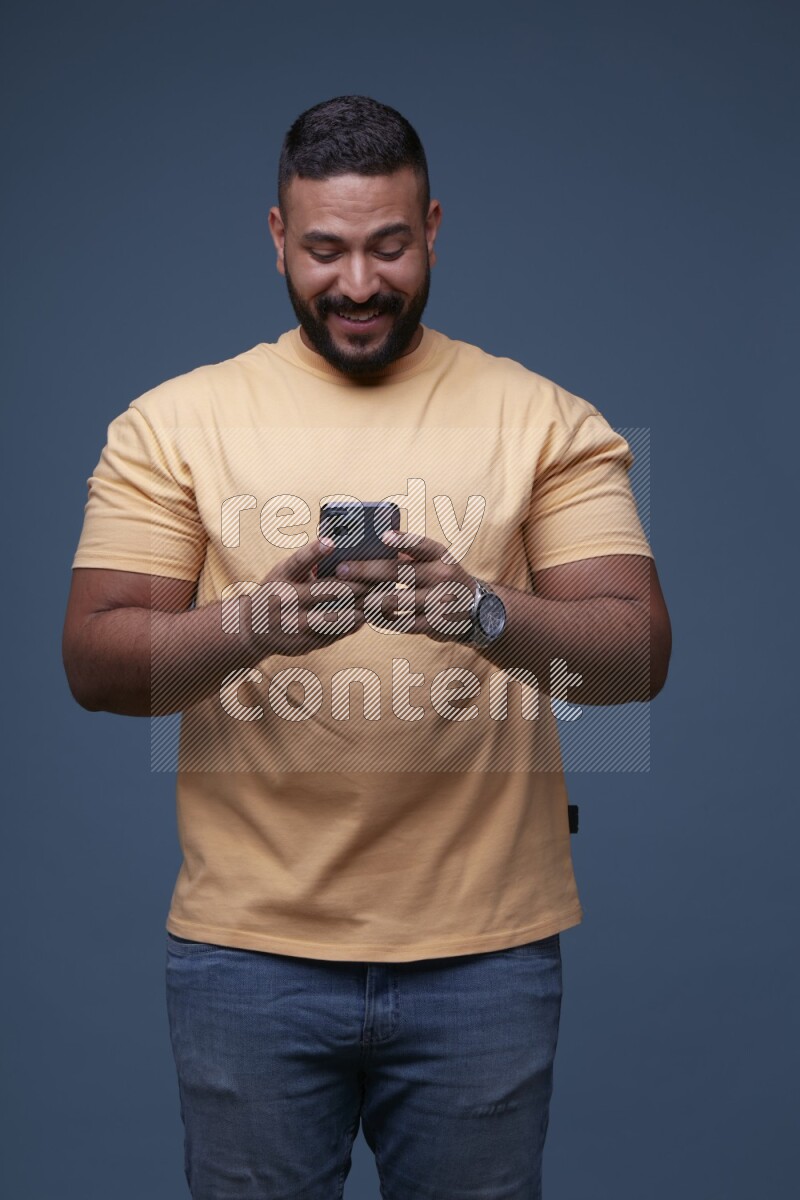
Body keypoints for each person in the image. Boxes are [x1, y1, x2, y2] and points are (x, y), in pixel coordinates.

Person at [63, 95, 671, 1200]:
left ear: (431, 229)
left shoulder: (542, 418)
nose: (356, 285)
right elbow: (97, 665)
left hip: (483, 958)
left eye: (388, 246)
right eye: (325, 250)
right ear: (276, 238)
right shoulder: (171, 424)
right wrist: (250, 625)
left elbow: (632, 659)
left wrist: (480, 613)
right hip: (245, 956)